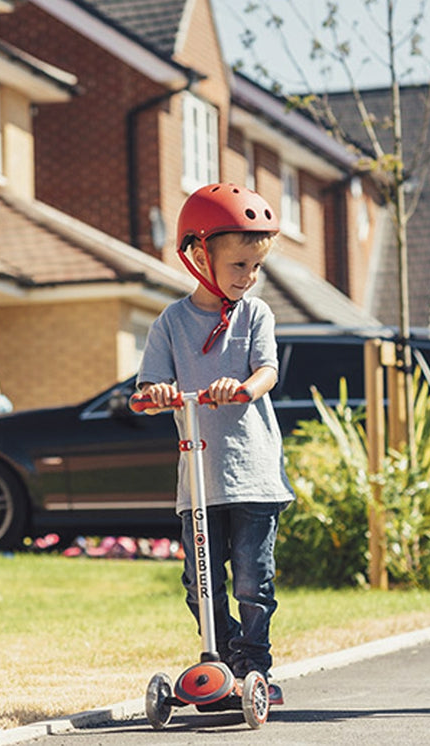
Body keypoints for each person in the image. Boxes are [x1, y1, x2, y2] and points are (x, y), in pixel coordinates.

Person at [136, 183, 295, 706]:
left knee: (252, 579)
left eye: (255, 267)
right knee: (199, 583)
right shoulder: (172, 323)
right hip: (198, 479)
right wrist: (155, 393)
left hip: (252, 473)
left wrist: (244, 387)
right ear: (200, 256)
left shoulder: (255, 315)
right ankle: (222, 660)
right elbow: (148, 386)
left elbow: (267, 370)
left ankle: (254, 665)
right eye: (239, 266)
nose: (248, 278)